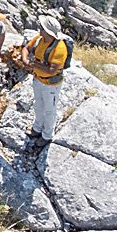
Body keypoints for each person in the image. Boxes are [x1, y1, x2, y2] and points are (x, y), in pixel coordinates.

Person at [22, 15, 72, 148]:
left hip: (51, 85)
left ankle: (47, 135)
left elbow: (52, 70)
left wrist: (32, 64)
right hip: (38, 79)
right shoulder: (39, 39)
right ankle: (37, 128)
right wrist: (25, 59)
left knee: (49, 110)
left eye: (42, 28)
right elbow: (26, 48)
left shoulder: (60, 48)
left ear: (48, 31)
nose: (40, 30)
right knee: (38, 105)